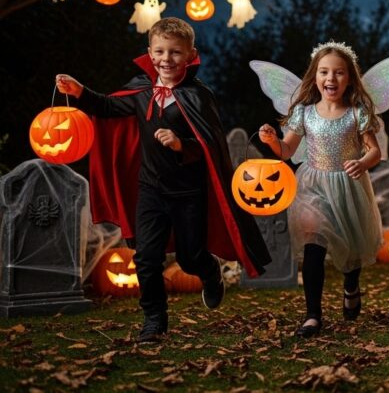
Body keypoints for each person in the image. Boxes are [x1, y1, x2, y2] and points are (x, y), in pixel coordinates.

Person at [55, 17, 270, 343]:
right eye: (160, 51)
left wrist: (181, 143)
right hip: (151, 189)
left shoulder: (198, 96)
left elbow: (211, 146)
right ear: (150, 53)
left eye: (175, 52)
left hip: (188, 192)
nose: (167, 59)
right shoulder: (142, 90)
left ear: (190, 55)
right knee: (146, 258)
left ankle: (210, 273)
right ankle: (154, 320)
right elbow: (109, 107)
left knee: (189, 257)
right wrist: (80, 92)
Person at [258, 41, 383, 338]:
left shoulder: (357, 113)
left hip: (348, 186)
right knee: (314, 247)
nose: (331, 79)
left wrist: (363, 163)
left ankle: (351, 286)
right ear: (314, 76)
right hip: (313, 186)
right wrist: (273, 142)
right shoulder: (304, 112)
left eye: (339, 73)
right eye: (325, 72)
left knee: (351, 251)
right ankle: (313, 315)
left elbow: (374, 151)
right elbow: (287, 150)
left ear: (349, 78)